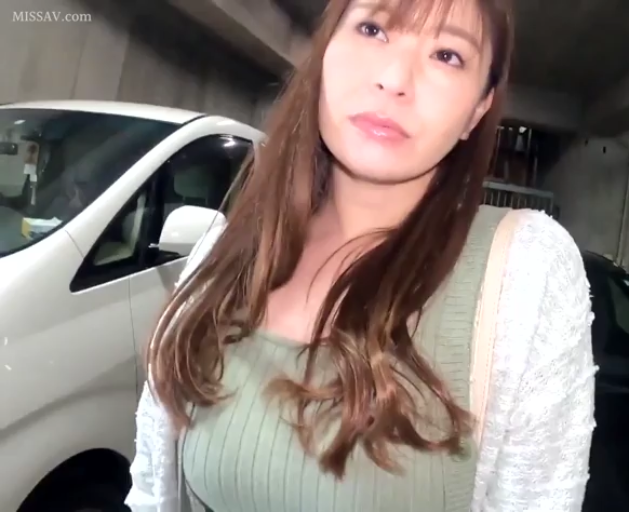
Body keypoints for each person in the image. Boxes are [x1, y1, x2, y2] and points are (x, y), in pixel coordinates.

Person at [126, 0, 596, 510]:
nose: (394, 79)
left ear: (477, 111)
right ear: (325, 51)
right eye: (373, 29)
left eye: (447, 55)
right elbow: (153, 491)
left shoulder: (526, 273)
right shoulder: (229, 247)